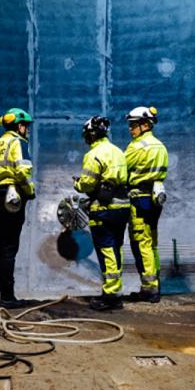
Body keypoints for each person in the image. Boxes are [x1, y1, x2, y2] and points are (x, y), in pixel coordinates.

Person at [73, 115, 132, 311]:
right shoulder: (118, 151)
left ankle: (111, 295)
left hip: (104, 209)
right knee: (116, 249)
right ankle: (116, 289)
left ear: (90, 135)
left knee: (106, 249)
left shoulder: (93, 154)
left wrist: (77, 183)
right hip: (123, 207)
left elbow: (87, 183)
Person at [0, 108, 35, 307]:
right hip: (12, 197)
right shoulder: (17, 142)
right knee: (9, 247)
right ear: (19, 126)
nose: (26, 130)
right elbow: (22, 170)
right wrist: (30, 190)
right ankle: (7, 296)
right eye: (25, 126)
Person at [123, 106, 169, 303]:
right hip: (155, 200)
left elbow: (120, 170)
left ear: (144, 125)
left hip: (139, 199)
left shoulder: (136, 147)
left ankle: (149, 288)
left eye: (133, 125)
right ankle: (154, 283)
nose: (130, 129)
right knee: (152, 243)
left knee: (141, 243)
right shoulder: (160, 146)